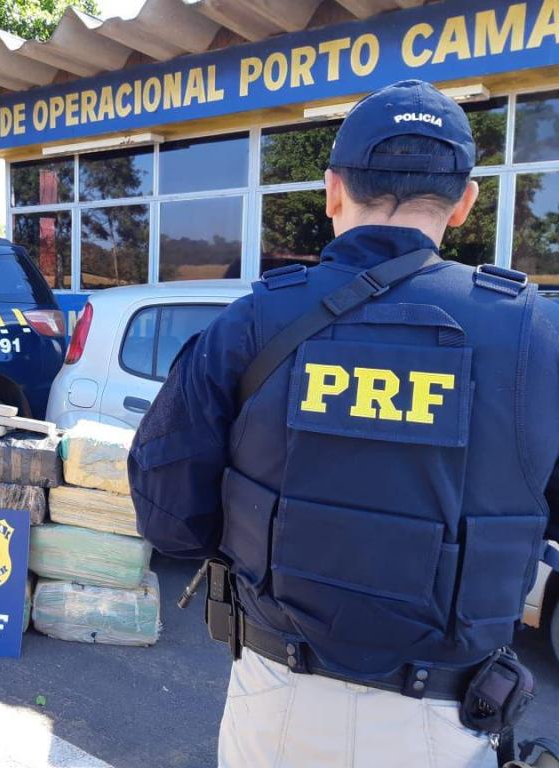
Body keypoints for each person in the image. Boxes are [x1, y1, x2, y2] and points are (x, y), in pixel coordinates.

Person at [128, 79, 559, 768]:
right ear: (464, 203)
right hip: (445, 725)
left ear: (332, 191)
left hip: (275, 709)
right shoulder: (537, 336)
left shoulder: (252, 321)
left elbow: (168, 517)